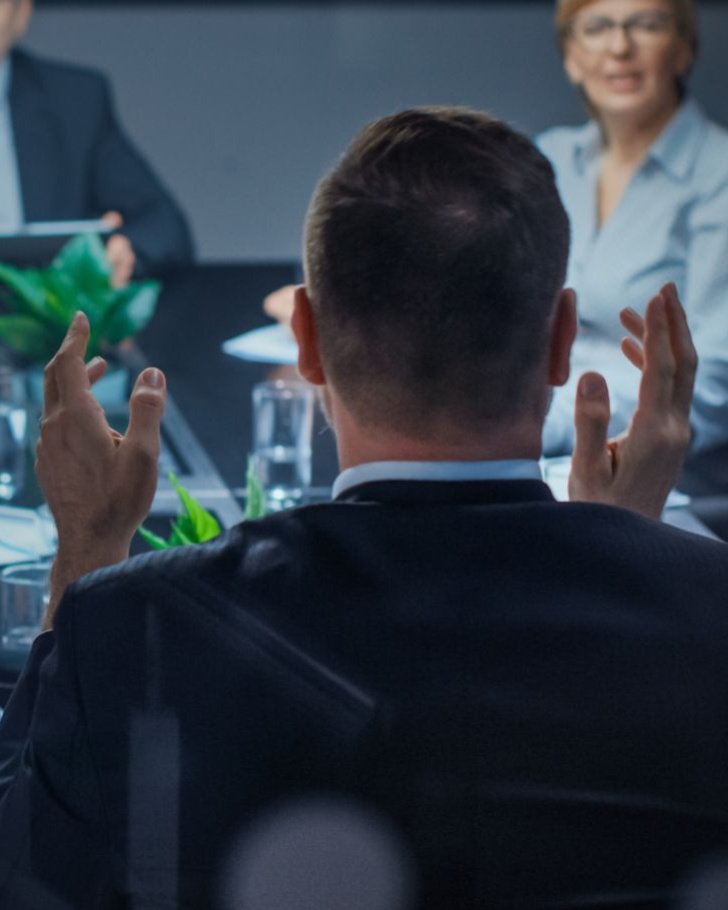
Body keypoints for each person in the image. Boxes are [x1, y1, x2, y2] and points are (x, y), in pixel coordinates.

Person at [1, 106, 726, 910]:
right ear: (561, 340)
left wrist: (87, 551)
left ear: (305, 339)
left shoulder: (135, 629)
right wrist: (631, 547)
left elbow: (21, 865)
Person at [538, 0, 728, 494]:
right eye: (597, 28)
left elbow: (711, 386)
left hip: (675, 490)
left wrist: (538, 419)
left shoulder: (720, 173)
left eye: (646, 25)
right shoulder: (548, 158)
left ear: (683, 50)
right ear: (570, 57)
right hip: (542, 467)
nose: (620, 47)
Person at [0, 0, 193, 285]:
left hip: (48, 320)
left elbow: (163, 226)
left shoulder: (72, 100)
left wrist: (119, 254)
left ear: (22, 13)